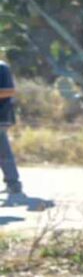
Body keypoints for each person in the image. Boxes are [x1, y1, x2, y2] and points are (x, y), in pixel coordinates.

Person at [0, 60, 25, 205]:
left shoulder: (1, 67)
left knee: (3, 151)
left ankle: (14, 184)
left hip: (1, 116)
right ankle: (13, 183)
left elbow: (9, 90)